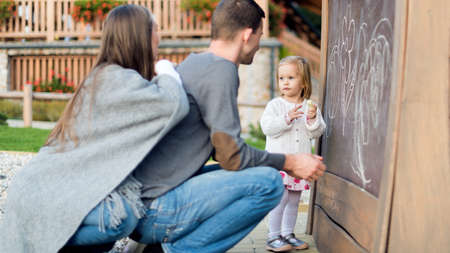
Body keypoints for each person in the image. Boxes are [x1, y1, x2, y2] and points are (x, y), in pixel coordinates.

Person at [129, 1, 326, 252]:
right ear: (247, 34)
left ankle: (157, 247)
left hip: (145, 202)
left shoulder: (196, 63)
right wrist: (290, 161)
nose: (259, 43)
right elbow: (233, 156)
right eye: (260, 35)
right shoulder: (222, 71)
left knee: (241, 173)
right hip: (155, 211)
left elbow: (221, 153)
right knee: (269, 183)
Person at [0, 5, 189, 253]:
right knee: (120, 218)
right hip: (42, 197)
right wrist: (166, 69)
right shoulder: (117, 80)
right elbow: (174, 104)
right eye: (155, 47)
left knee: (108, 230)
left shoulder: (105, 77)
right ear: (139, 41)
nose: (156, 54)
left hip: (37, 191)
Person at [260, 56, 326, 252]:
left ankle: (288, 234)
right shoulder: (275, 106)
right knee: (281, 198)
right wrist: (287, 118)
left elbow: (317, 132)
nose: (285, 82)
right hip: (280, 163)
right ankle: (273, 237)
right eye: (281, 78)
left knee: (294, 200)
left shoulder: (310, 107)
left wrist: (312, 119)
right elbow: (267, 128)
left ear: (304, 82)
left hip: (300, 165)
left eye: (290, 77)